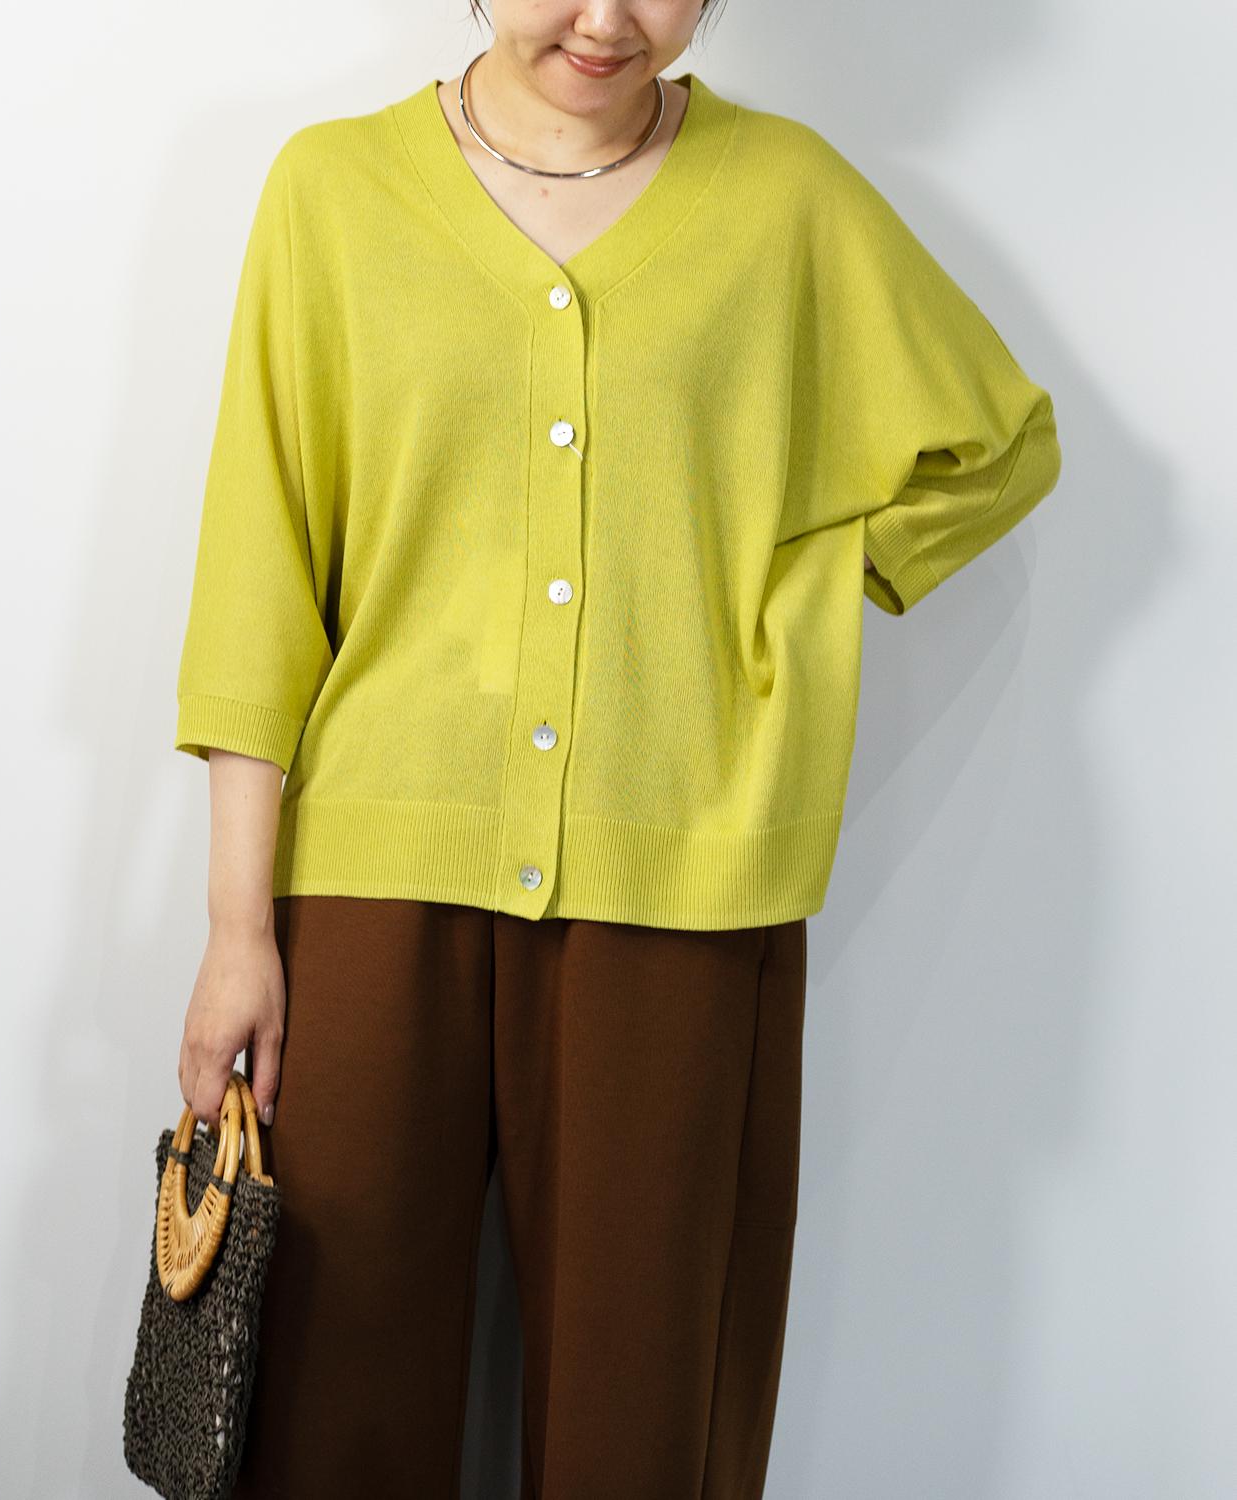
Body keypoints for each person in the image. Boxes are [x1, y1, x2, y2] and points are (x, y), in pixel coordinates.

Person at [171, 4, 1062, 1496]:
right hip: (373, 886)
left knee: (647, 1414)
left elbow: (1001, 443)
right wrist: (234, 931)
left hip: (685, 880)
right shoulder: (332, 192)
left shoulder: (787, 201)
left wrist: (795, 599)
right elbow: (260, 582)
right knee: (327, 1404)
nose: (606, 19)